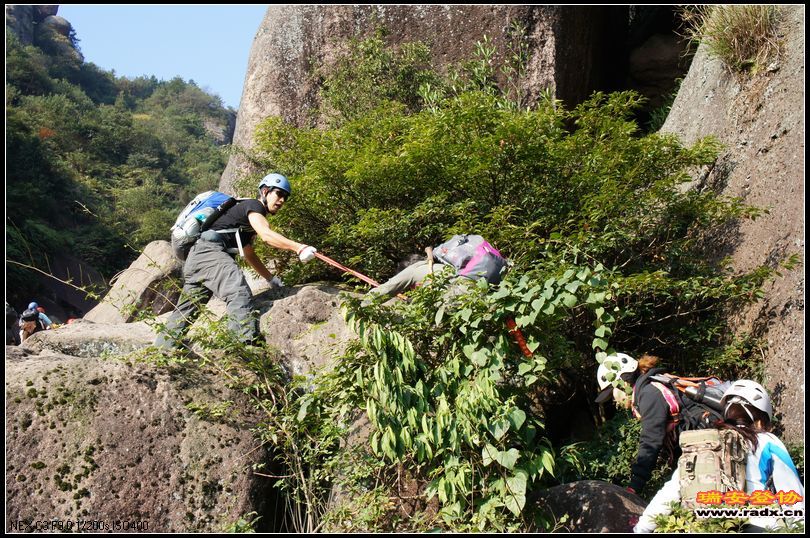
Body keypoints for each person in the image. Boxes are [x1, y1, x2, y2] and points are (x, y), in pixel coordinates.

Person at [154, 173, 318, 350]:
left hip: (197, 258)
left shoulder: (244, 224)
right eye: (278, 194)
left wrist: (270, 279)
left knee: (187, 309)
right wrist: (299, 248)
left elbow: (249, 254)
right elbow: (267, 235)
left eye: (285, 197)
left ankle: (161, 349)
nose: (282, 200)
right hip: (209, 252)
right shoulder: (254, 206)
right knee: (238, 290)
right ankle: (242, 347)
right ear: (265, 191)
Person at [633, 380, 804, 532]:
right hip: (759, 524)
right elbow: (792, 493)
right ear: (760, 421)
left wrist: (640, 529)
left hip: (707, 525)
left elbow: (669, 492)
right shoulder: (767, 440)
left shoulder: (704, 443)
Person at [595, 353, 718, 495]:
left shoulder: (649, 394)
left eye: (612, 394)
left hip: (711, 440)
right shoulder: (652, 385)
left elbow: (651, 441)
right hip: (705, 440)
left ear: (623, 383)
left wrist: (634, 486)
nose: (614, 401)